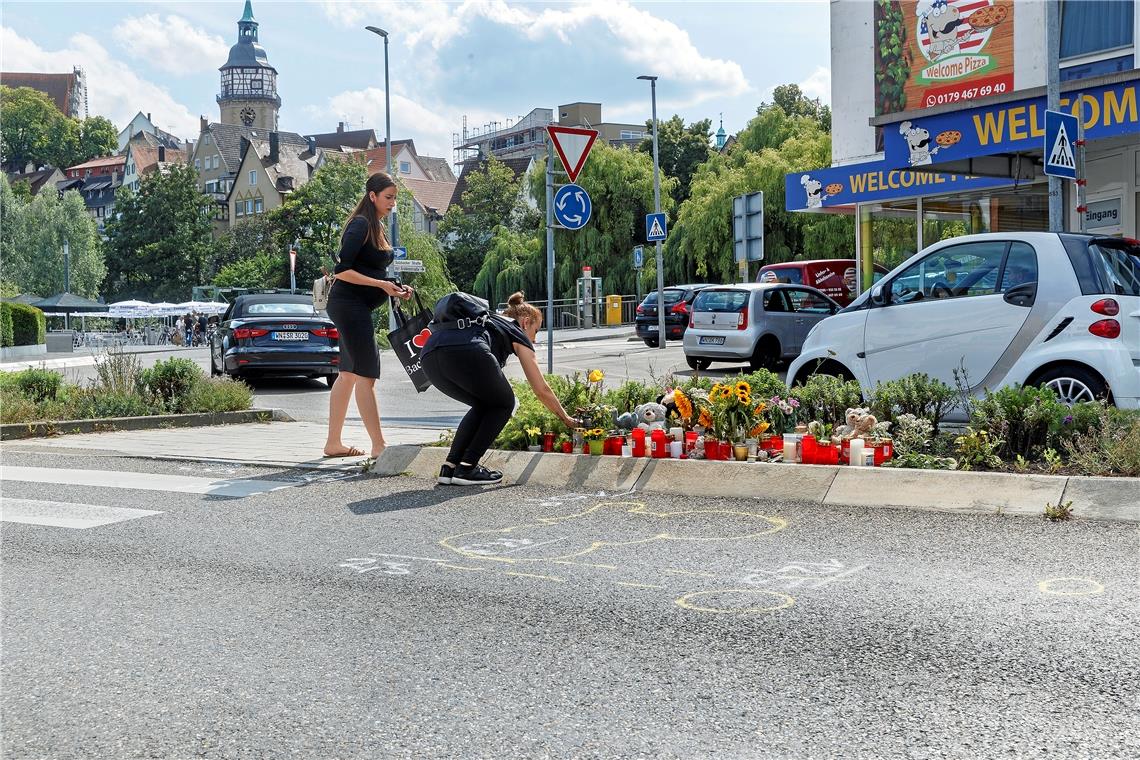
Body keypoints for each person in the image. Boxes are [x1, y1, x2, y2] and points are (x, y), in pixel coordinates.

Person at [420, 292, 577, 486]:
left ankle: (450, 467)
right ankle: (468, 468)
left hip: (429, 355)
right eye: (536, 331)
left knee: (482, 404)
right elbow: (540, 388)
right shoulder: (515, 330)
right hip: (466, 350)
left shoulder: (488, 321)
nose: (534, 339)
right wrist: (565, 418)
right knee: (505, 404)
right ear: (526, 322)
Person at [323, 172, 413, 459]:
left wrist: (394, 288)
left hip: (355, 306)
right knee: (367, 375)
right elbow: (342, 271)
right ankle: (379, 446)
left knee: (349, 373)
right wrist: (381, 285)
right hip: (349, 306)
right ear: (372, 196)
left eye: (395, 198)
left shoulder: (376, 226)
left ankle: (333, 444)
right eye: (388, 197)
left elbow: (372, 270)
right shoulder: (361, 224)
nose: (392, 203)